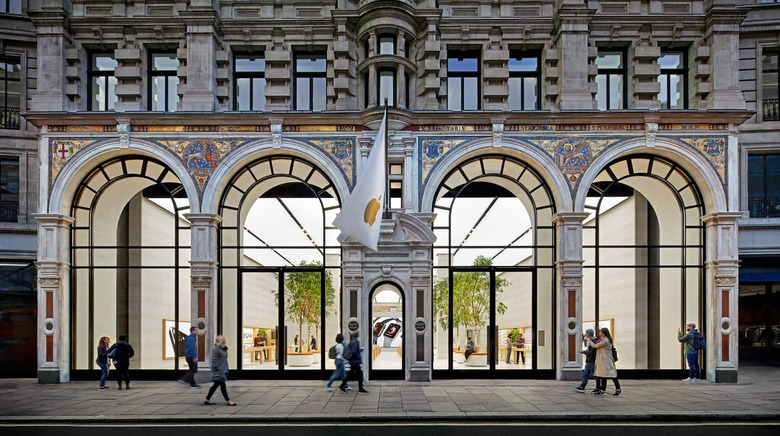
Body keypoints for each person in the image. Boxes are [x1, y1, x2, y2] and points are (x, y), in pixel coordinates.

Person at [204, 335, 236, 406]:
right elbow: (214, 360)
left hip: (223, 369)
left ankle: (207, 399)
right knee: (222, 385)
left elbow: (224, 359)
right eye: (223, 340)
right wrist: (218, 369)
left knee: (215, 385)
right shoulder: (216, 349)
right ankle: (228, 400)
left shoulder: (223, 348)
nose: (225, 341)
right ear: (220, 341)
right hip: (219, 370)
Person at [591, 327, 621, 396]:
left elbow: (595, 346)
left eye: (600, 332)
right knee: (603, 375)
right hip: (604, 360)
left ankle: (618, 389)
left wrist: (589, 341)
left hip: (607, 360)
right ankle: (602, 390)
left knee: (612, 375)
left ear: (604, 333)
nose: (599, 333)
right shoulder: (603, 339)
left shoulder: (606, 341)